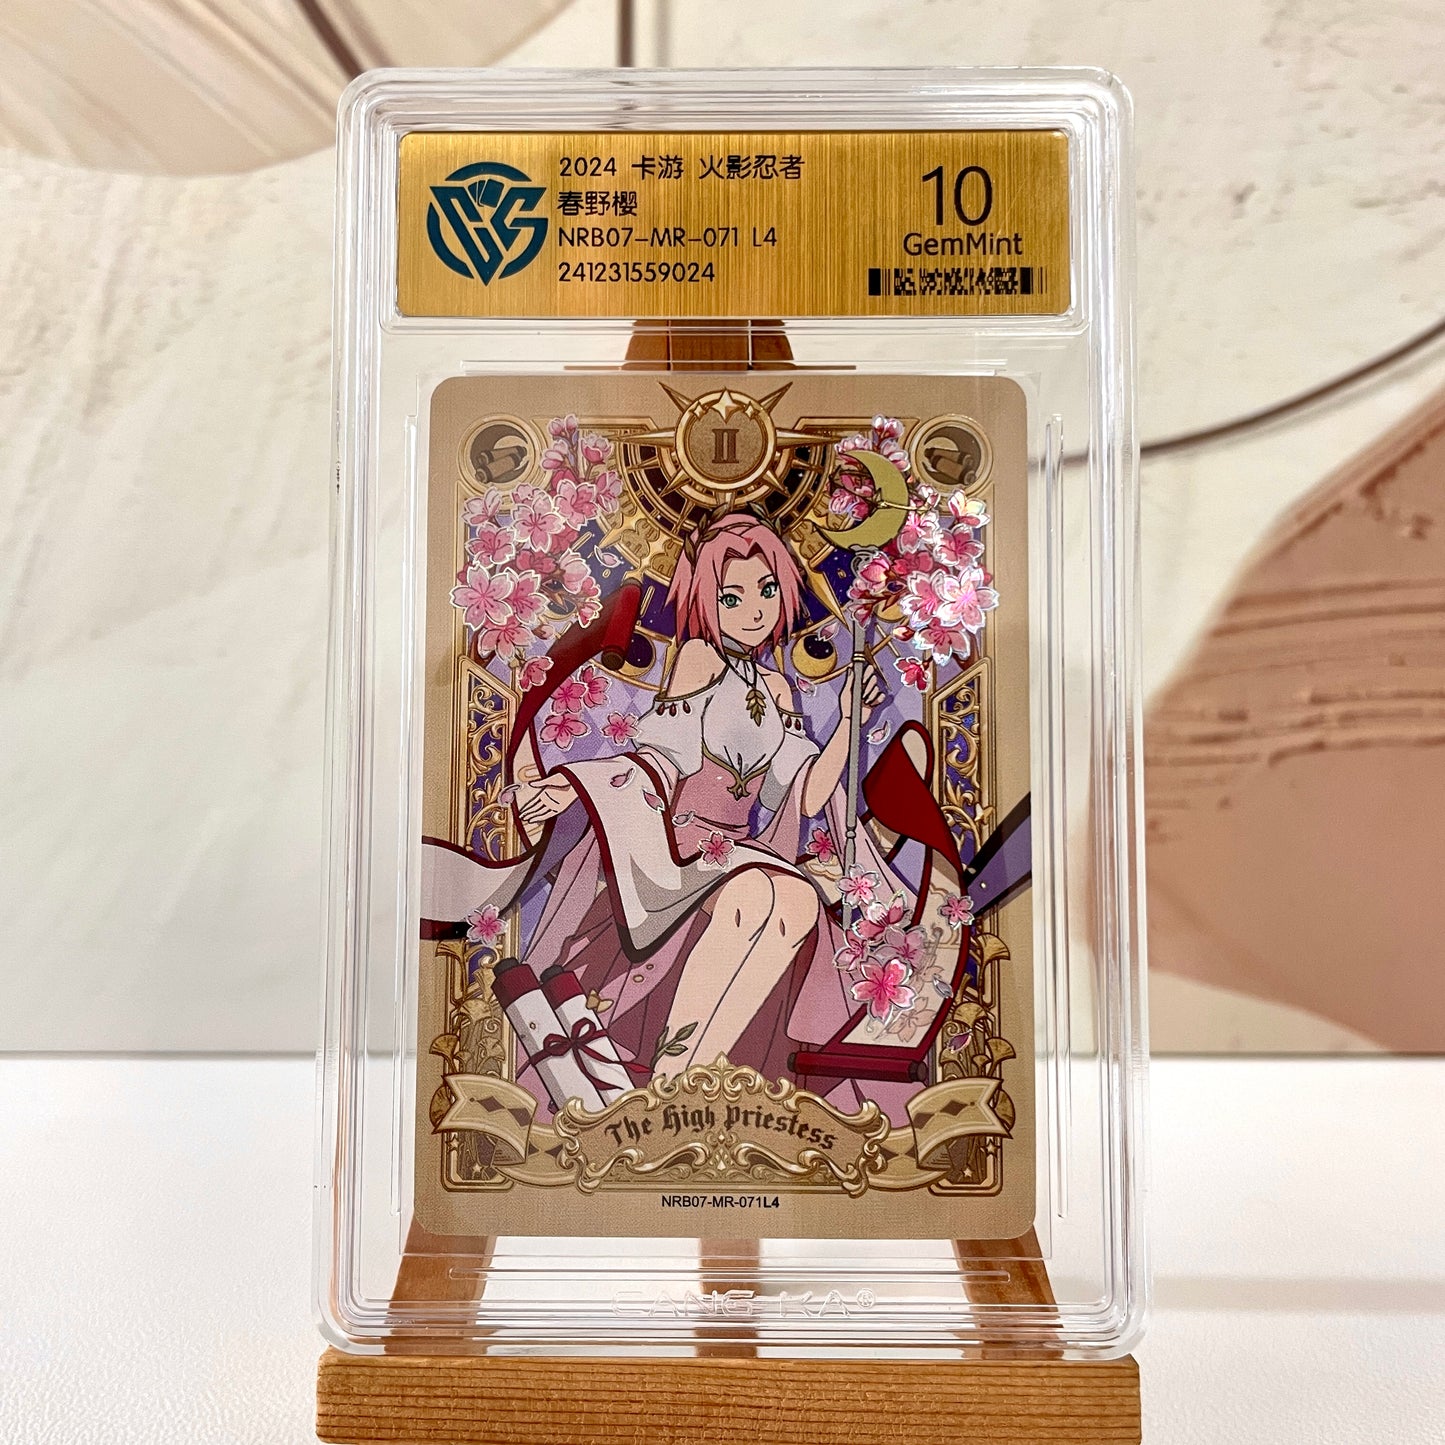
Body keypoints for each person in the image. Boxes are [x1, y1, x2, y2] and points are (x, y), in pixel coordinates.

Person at [422, 512, 951, 1121]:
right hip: (678, 851)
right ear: (706, 602)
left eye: (767, 591)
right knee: (755, 893)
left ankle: (695, 1076)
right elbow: (661, 758)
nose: (753, 611)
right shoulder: (700, 659)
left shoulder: (779, 688)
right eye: (732, 597)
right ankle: (672, 1080)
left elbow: (803, 797)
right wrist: (572, 786)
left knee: (798, 900)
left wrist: (849, 722)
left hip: (745, 849)